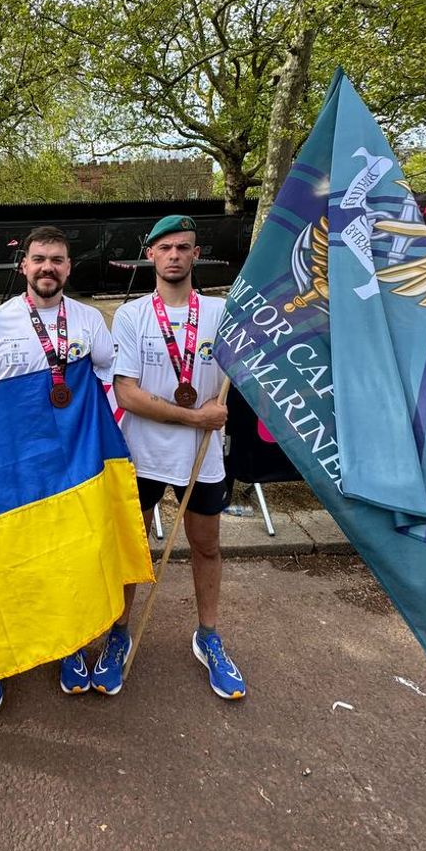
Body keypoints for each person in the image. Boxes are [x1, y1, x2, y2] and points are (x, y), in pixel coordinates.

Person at [0, 225, 116, 712]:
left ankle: (68, 646)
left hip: (71, 468)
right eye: (39, 259)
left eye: (57, 260)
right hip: (13, 467)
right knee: (6, 563)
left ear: (68, 267)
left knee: (68, 561)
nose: (47, 268)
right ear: (23, 265)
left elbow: (111, 377)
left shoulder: (89, 321)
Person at [102, 214, 246, 701]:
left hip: (203, 458)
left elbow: (243, 376)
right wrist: (194, 418)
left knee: (206, 547)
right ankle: (118, 634)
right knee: (133, 549)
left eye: (183, 247)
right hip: (142, 454)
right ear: (150, 255)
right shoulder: (131, 315)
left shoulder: (223, 313)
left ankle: (208, 636)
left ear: (196, 254)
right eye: (164, 248)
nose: (174, 256)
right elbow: (128, 395)